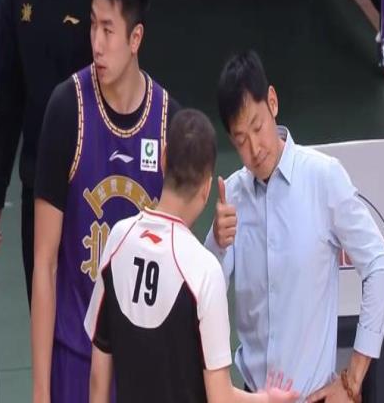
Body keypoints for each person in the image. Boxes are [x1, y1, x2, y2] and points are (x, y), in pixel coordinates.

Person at [205, 50, 384, 403]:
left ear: (273, 102)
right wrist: (217, 243)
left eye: (258, 128)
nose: (254, 148)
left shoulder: (324, 178)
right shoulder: (231, 195)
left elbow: (381, 267)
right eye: (240, 140)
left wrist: (352, 379)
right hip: (251, 396)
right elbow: (203, 292)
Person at [31, 0, 181, 401]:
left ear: (136, 39)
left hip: (142, 368)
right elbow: (45, 263)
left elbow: (179, 262)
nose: (96, 43)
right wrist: (40, 391)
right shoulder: (66, 110)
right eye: (93, 25)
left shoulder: (169, 121)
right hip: (75, 359)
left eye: (109, 30)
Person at [84, 109, 299, 403]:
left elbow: (98, 378)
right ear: (207, 187)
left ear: (163, 158)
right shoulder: (203, 270)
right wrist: (269, 400)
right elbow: (220, 397)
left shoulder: (117, 241)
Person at [0, 0, 93, 303]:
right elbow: (7, 95)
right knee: (42, 300)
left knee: (88, 305)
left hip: (89, 180)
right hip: (38, 180)